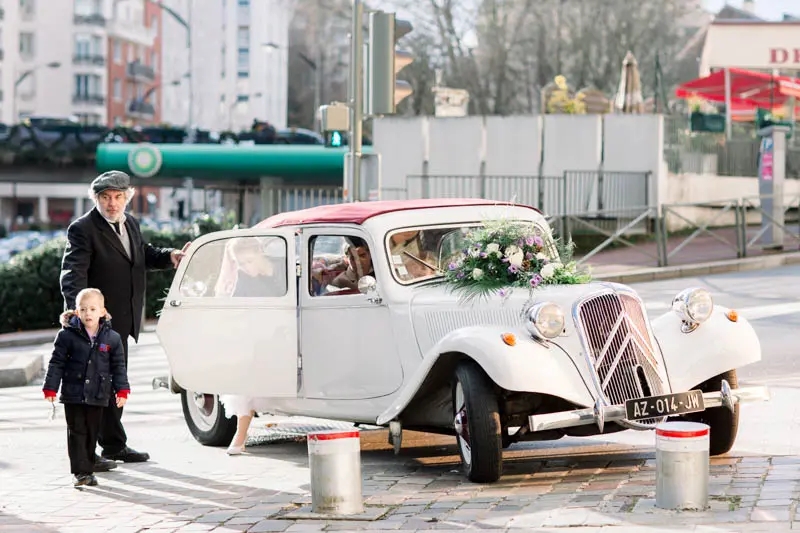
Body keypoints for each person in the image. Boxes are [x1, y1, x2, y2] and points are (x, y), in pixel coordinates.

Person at [60, 171, 189, 468]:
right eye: (105, 197)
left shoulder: (130, 222)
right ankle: (88, 457)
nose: (112, 203)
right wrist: (78, 314)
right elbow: (72, 274)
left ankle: (114, 446)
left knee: (114, 386)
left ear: (128, 197)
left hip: (123, 319)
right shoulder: (83, 229)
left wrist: (169, 256)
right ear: (96, 199)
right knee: (93, 391)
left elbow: (140, 254)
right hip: (96, 324)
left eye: (118, 197)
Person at [42, 288, 130, 488]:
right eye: (83, 309)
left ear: (102, 311)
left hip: (98, 394)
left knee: (91, 432)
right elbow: (56, 363)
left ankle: (88, 467)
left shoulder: (112, 339)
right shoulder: (66, 336)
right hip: (73, 394)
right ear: (76, 312)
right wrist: (50, 388)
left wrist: (122, 390)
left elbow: (118, 367)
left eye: (92, 309)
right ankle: (81, 472)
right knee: (76, 431)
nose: (87, 313)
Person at [216, 236, 287, 454]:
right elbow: (237, 308)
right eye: (240, 263)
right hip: (259, 333)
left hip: (287, 328)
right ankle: (240, 434)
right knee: (245, 375)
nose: (245, 267)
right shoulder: (243, 278)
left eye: (249, 261)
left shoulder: (282, 266)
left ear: (260, 253)